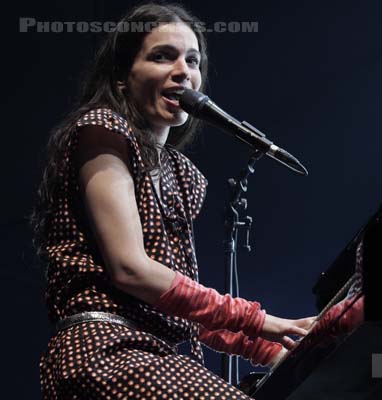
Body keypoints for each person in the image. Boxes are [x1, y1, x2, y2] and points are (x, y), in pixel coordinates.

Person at [32, 3, 314, 399]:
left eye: (192, 60)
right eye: (162, 56)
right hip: (106, 350)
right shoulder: (102, 130)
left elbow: (180, 307)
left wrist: (272, 348)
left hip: (156, 352)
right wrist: (262, 321)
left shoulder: (182, 175)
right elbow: (131, 270)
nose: (185, 71)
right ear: (121, 79)